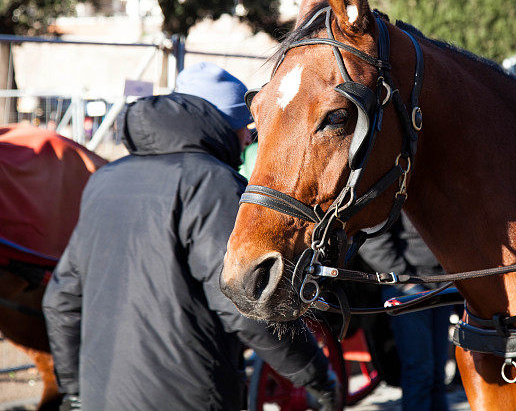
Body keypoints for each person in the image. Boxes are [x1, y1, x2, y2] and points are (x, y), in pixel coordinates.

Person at [43, 62, 340, 411]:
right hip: (189, 397)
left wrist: (75, 390)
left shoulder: (105, 180)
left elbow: (60, 299)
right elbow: (246, 305)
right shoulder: (213, 184)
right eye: (244, 127)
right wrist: (317, 374)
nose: (248, 137)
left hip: (101, 397)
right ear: (219, 124)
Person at [359, 215, 452, 411]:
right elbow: (371, 240)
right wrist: (402, 278)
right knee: (419, 370)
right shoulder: (394, 188)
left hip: (441, 282)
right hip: (408, 287)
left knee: (437, 371)